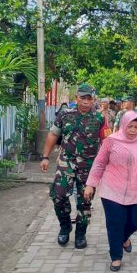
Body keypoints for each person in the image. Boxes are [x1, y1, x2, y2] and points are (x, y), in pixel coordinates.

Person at [84, 111, 137, 271]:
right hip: (112, 190)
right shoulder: (111, 141)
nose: (132, 130)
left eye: (136, 127)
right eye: (129, 126)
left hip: (136, 191)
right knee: (115, 223)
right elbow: (99, 163)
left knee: (135, 222)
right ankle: (116, 257)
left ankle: (124, 239)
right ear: (123, 125)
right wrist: (91, 184)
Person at [40, 84, 104, 249]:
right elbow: (53, 134)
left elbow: (107, 142)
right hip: (66, 163)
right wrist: (45, 157)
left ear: (93, 100)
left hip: (89, 166)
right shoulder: (64, 115)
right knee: (58, 196)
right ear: (76, 98)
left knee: (85, 201)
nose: (85, 101)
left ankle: (80, 234)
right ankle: (65, 225)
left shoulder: (100, 118)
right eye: (82, 98)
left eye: (89, 98)